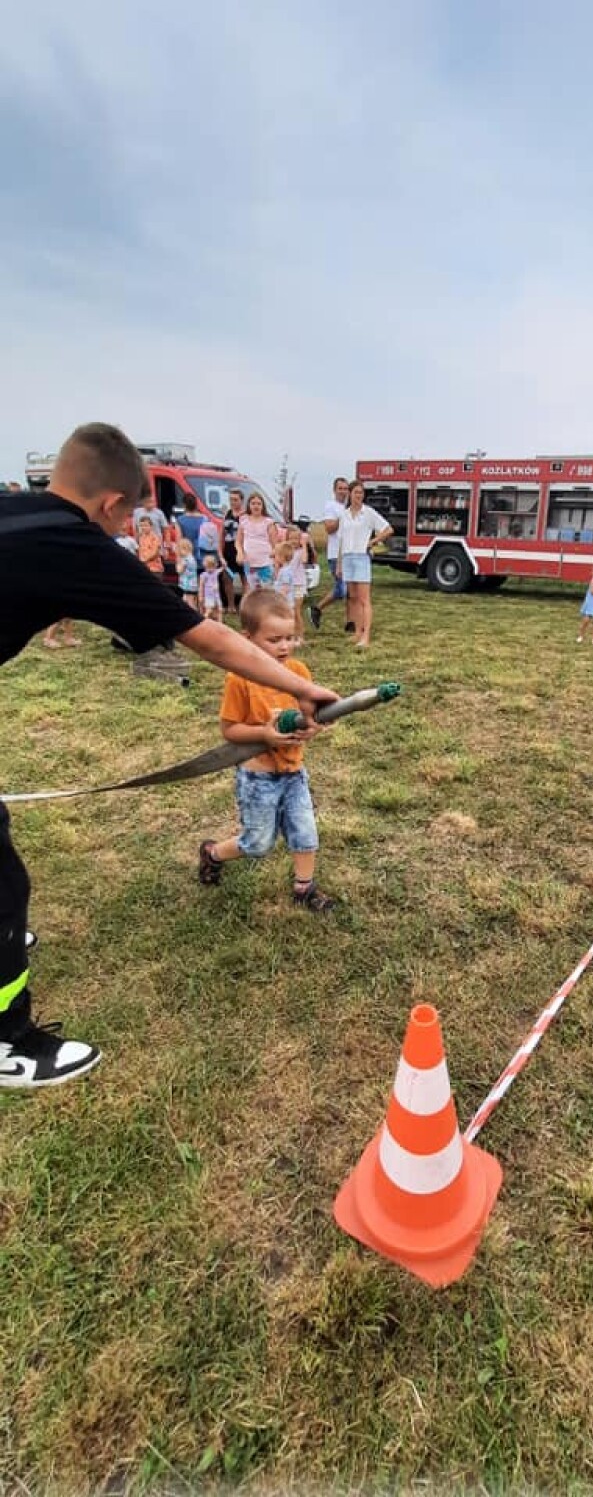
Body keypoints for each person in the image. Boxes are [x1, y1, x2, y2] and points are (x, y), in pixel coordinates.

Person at [0, 422, 339, 1089]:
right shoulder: (75, 543)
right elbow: (207, 637)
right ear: (114, 507)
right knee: (3, 887)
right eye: (130, 517)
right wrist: (301, 686)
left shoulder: (13, 512)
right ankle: (9, 1042)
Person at [198, 591, 334, 912]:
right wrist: (263, 733)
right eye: (274, 640)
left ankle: (304, 889)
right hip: (258, 778)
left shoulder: (299, 674)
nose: (285, 646)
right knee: (258, 844)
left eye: (290, 637)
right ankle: (213, 853)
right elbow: (230, 731)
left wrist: (312, 728)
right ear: (248, 640)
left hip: (294, 772)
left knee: (305, 831)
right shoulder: (239, 679)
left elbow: (310, 719)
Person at [335, 480, 393, 649]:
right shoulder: (344, 515)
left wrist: (372, 542)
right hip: (347, 557)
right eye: (356, 492)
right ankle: (357, 632)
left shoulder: (368, 513)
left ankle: (366, 635)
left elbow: (388, 529)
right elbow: (341, 540)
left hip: (361, 557)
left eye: (361, 493)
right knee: (352, 597)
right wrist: (339, 564)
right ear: (350, 494)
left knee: (363, 599)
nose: (359, 496)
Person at [309, 476, 351, 631]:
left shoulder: (349, 506)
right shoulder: (331, 506)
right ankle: (317, 609)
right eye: (340, 488)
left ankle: (349, 622)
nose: (343, 492)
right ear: (334, 490)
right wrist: (342, 518)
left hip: (348, 552)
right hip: (335, 554)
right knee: (341, 589)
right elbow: (329, 528)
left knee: (350, 591)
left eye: (346, 489)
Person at [237, 491, 279, 591]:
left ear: (262, 506)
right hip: (249, 562)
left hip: (265, 562)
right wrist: (240, 553)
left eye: (259, 504)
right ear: (249, 505)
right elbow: (238, 541)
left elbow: (275, 545)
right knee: (252, 591)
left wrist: (276, 562)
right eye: (253, 503)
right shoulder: (244, 520)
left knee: (267, 590)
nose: (256, 506)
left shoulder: (268, 522)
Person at [219, 488, 245, 613]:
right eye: (231, 500)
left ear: (241, 500)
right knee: (227, 578)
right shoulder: (227, 514)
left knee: (245, 579)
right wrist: (220, 552)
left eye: (235, 500)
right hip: (228, 549)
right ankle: (231, 605)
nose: (233, 502)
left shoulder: (245, 515)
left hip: (242, 550)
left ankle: (244, 606)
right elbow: (221, 535)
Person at [177, 492, 205, 566]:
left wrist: (178, 560)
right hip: (202, 555)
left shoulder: (180, 520)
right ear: (196, 505)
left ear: (185, 505)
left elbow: (179, 540)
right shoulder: (205, 519)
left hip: (187, 555)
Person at [198, 553, 226, 622]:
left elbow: (223, 568)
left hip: (216, 596)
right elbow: (201, 586)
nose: (210, 569)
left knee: (220, 610)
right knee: (209, 610)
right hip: (208, 596)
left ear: (215, 566)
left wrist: (223, 561)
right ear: (205, 566)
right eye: (208, 567)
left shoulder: (216, 572)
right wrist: (201, 596)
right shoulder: (204, 575)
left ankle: (220, 624)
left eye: (211, 567)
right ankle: (203, 621)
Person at [176, 537, 200, 608]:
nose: (178, 552)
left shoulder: (185, 560)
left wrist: (178, 562)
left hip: (187, 585)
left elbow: (179, 570)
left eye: (178, 549)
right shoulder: (192, 558)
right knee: (188, 601)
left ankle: (194, 616)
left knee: (190, 603)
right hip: (192, 585)